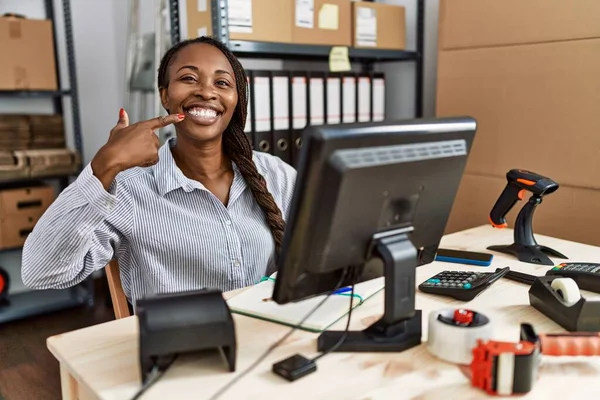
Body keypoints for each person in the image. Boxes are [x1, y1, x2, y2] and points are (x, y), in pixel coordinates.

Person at [21, 36, 296, 306]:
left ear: (236, 100)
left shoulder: (276, 174)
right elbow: (40, 272)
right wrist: (106, 163)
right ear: (165, 95)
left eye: (222, 83)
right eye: (189, 78)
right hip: (180, 346)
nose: (207, 92)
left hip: (269, 337)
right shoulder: (128, 189)